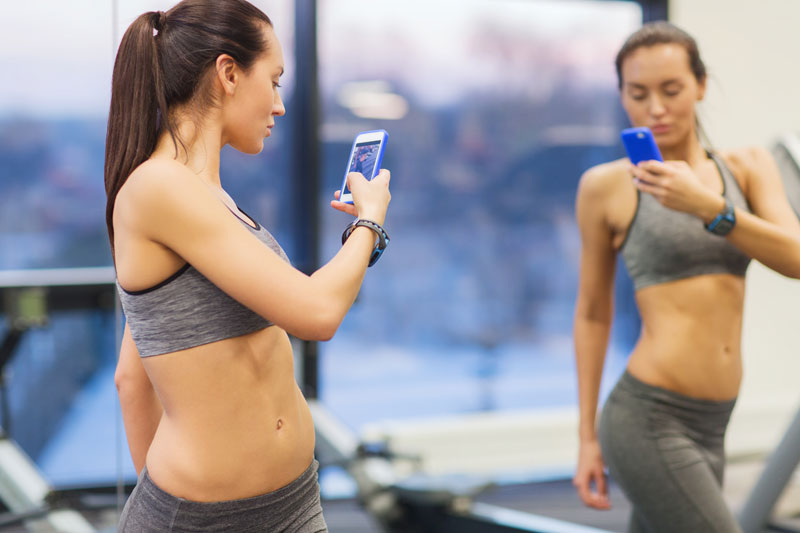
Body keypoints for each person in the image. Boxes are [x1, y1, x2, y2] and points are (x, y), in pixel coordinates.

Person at [105, 1, 391, 531]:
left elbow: (132, 373)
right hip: (209, 519)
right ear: (229, 73)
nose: (280, 105)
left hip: (294, 502)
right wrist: (369, 221)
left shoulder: (205, 197)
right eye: (275, 80)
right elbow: (317, 313)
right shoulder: (159, 187)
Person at [572, 21, 800, 532]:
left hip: (714, 420)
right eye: (638, 93)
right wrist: (587, 437)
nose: (656, 108)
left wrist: (709, 207)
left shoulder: (746, 167)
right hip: (648, 417)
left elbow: (796, 260)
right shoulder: (605, 187)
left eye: (671, 90)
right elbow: (591, 313)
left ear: (700, 84)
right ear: (622, 97)